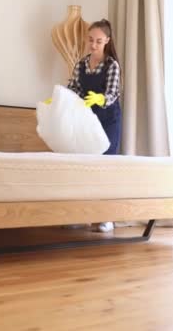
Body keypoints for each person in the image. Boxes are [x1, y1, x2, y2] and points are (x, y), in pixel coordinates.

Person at [69, 19, 122, 233]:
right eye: (90, 40)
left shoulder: (111, 65)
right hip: (87, 120)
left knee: (105, 168)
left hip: (108, 120)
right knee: (85, 167)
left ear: (107, 41)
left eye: (98, 41)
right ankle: (82, 214)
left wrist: (100, 99)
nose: (93, 45)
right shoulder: (81, 64)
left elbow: (112, 93)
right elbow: (73, 87)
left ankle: (106, 217)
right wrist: (59, 99)